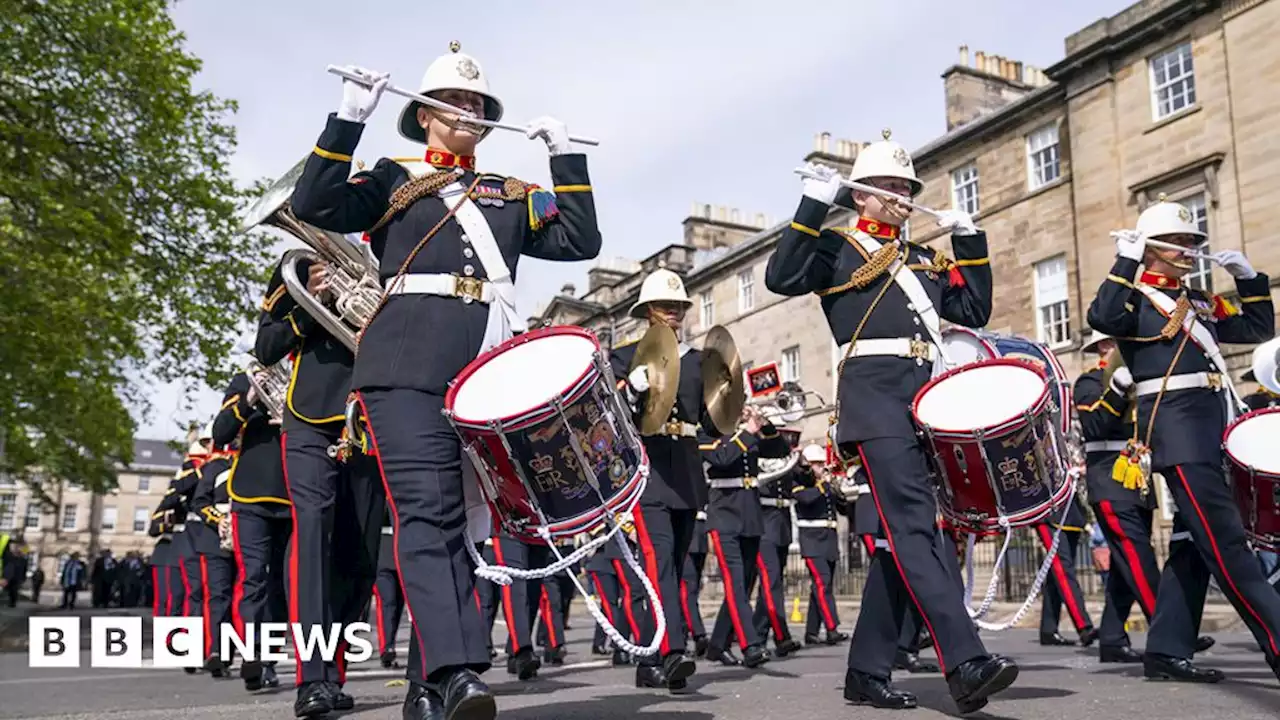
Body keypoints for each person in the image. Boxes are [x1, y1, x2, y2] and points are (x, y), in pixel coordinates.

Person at [290, 41, 601, 720]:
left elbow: (581, 242)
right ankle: (459, 671)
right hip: (403, 369)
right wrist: (348, 118)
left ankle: (424, 689)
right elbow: (313, 202)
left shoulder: (510, 195)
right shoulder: (391, 178)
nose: (466, 110)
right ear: (424, 115)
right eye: (453, 102)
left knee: (466, 530)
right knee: (427, 517)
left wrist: (565, 159)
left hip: (485, 376)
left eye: (477, 105)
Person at [765, 129, 1016, 713]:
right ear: (860, 196)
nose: (903, 196)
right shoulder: (834, 249)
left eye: (908, 187)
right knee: (913, 529)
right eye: (890, 187)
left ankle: (867, 670)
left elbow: (974, 310)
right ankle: (965, 658)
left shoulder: (925, 257)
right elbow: (781, 276)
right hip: (874, 402)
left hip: (926, 401)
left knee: (904, 541)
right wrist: (811, 205)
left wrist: (971, 242)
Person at [1087, 197, 1280, 683]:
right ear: (1151, 247)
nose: (1188, 249)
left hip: (1214, 426)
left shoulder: (1196, 300)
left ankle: (1167, 650)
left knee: (1192, 543)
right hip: (1177, 432)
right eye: (1176, 242)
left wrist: (1250, 280)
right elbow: (1103, 317)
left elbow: (1257, 328)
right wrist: (1126, 260)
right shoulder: (1133, 298)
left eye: (1192, 241)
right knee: (1228, 543)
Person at [255, 246, 386, 716]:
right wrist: (308, 307)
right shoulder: (299, 264)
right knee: (312, 537)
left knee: (362, 554)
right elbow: (266, 348)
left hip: (373, 418)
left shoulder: (398, 255)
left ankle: (334, 673)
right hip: (310, 417)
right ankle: (310, 677)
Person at [1075, 330, 1214, 664]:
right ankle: (1170, 631)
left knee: (1127, 565)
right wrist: (1118, 388)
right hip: (1109, 479)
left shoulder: (1143, 380)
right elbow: (1095, 426)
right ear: (1104, 348)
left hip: (1138, 481)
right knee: (1140, 560)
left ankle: (1111, 639)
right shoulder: (1088, 382)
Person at [610, 268, 719, 691]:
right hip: (649, 468)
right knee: (657, 559)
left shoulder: (697, 360)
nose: (673, 313)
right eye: (665, 306)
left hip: (686, 469)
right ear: (648, 311)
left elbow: (711, 423)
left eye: (678, 307)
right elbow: (610, 412)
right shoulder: (626, 355)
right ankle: (670, 651)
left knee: (676, 564)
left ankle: (650, 657)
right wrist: (630, 391)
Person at [210, 367, 290, 692]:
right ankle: (253, 653)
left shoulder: (301, 372)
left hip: (292, 490)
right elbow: (221, 432)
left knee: (281, 585)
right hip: (250, 491)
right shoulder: (244, 380)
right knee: (253, 577)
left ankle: (268, 658)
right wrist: (250, 399)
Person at [698, 405, 789, 669]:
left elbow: (779, 451)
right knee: (735, 583)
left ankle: (718, 644)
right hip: (724, 515)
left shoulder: (746, 434)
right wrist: (748, 431)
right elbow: (722, 457)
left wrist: (766, 425)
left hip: (750, 515)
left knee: (744, 584)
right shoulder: (706, 433)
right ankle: (750, 645)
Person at [752, 431, 802, 659]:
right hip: (764, 520)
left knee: (771, 584)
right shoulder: (758, 453)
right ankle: (781, 636)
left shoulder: (785, 457)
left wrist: (801, 463)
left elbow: (806, 480)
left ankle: (758, 634)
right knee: (771, 583)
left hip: (781, 522)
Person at [191, 441, 238, 678]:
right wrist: (218, 519)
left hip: (247, 537)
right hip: (215, 540)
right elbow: (200, 502)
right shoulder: (216, 466)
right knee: (219, 596)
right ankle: (217, 651)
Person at [794, 445, 848, 648]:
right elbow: (805, 499)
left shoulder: (825, 484)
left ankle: (811, 631)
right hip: (812, 540)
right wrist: (824, 485)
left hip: (829, 539)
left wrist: (839, 491)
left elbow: (841, 509)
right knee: (822, 583)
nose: (820, 467)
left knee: (821, 587)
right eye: (816, 464)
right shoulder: (800, 481)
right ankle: (832, 628)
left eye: (821, 463)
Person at [1033, 496, 1097, 648]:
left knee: (1056, 576)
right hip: (1047, 512)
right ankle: (1084, 626)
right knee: (1063, 571)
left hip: (1070, 512)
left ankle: (1049, 629)